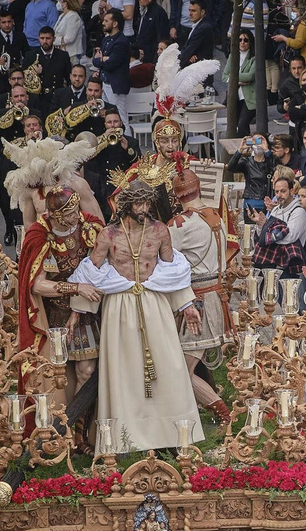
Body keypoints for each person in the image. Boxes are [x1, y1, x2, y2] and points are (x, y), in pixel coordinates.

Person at [65, 178, 203, 451]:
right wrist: (77, 312)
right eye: (139, 202)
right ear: (126, 204)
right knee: (123, 370)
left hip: (156, 305)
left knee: (168, 364)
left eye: (148, 202)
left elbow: (171, 273)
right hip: (119, 308)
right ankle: (125, 438)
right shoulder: (109, 235)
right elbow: (90, 273)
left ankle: (173, 434)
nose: (144, 208)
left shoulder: (160, 231)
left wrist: (187, 305)